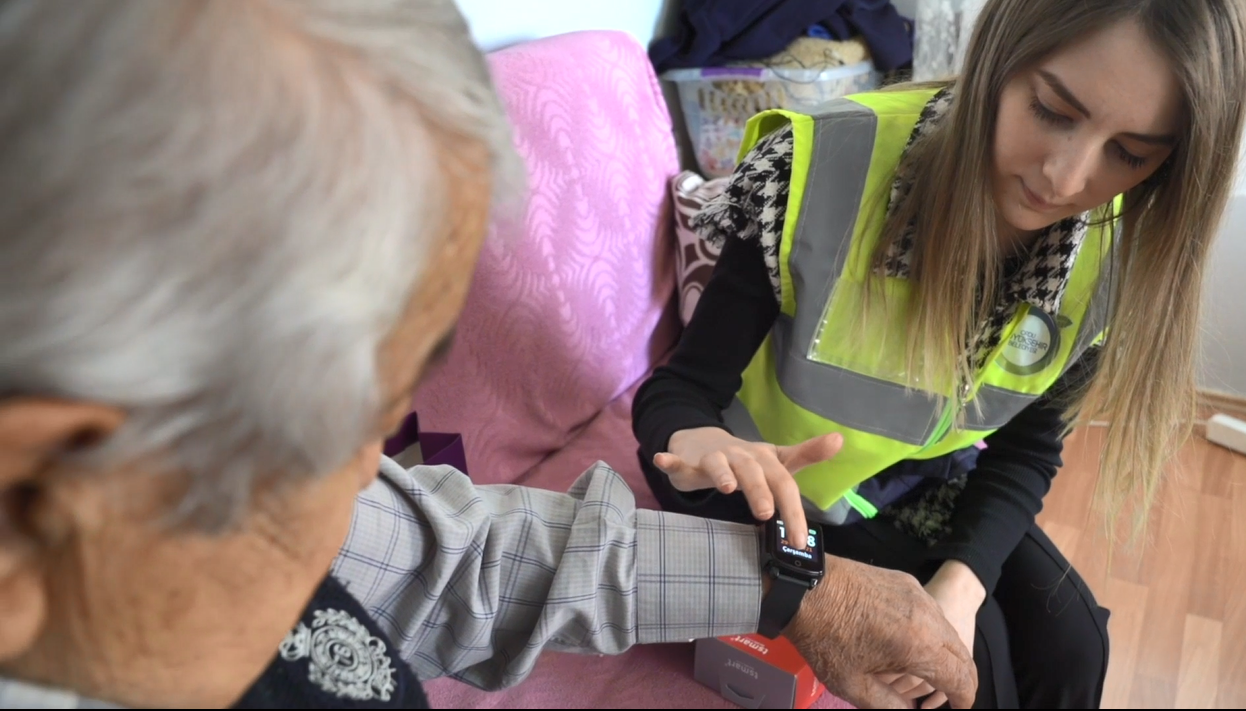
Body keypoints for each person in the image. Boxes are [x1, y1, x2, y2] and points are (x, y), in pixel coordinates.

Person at [0, 1, 980, 709]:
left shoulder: (174, 535)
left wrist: (788, 581)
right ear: (39, 494)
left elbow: (433, 551)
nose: (380, 472)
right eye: (359, 426)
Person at [632, 0, 1246, 708]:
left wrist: (963, 580)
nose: (1067, 177)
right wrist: (701, 438)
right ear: (997, 56)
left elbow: (1025, 451)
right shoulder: (817, 172)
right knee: (969, 675)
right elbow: (676, 391)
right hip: (775, 501)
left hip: (917, 485)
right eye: (1050, 108)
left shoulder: (1112, 256)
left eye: (1130, 153)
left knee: (1075, 641)